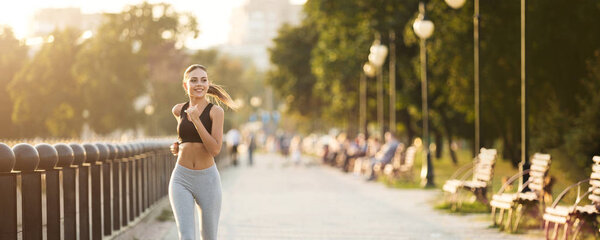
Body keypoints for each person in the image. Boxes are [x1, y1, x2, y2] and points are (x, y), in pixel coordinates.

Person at [168, 64, 236, 240]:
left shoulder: (216, 112)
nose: (199, 84)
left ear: (208, 84)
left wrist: (197, 120)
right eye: (194, 80)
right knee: (187, 237)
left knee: (208, 237)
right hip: (181, 178)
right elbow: (184, 136)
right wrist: (178, 145)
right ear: (185, 85)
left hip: (208, 180)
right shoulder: (178, 110)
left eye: (203, 80)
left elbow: (214, 149)